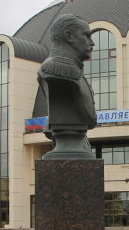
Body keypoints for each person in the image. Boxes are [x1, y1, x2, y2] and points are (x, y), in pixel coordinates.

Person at [36, 14, 97, 158]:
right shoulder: (56, 70)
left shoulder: (73, 71)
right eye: (87, 36)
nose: (92, 43)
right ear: (69, 36)